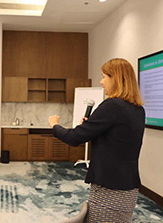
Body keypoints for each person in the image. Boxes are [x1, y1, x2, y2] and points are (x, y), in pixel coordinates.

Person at [48, 58, 145, 223]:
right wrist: (92, 127)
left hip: (109, 188)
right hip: (128, 187)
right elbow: (118, 140)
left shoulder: (112, 105)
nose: (101, 82)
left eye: (104, 77)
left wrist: (55, 125)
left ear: (116, 78)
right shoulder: (138, 109)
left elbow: (74, 138)